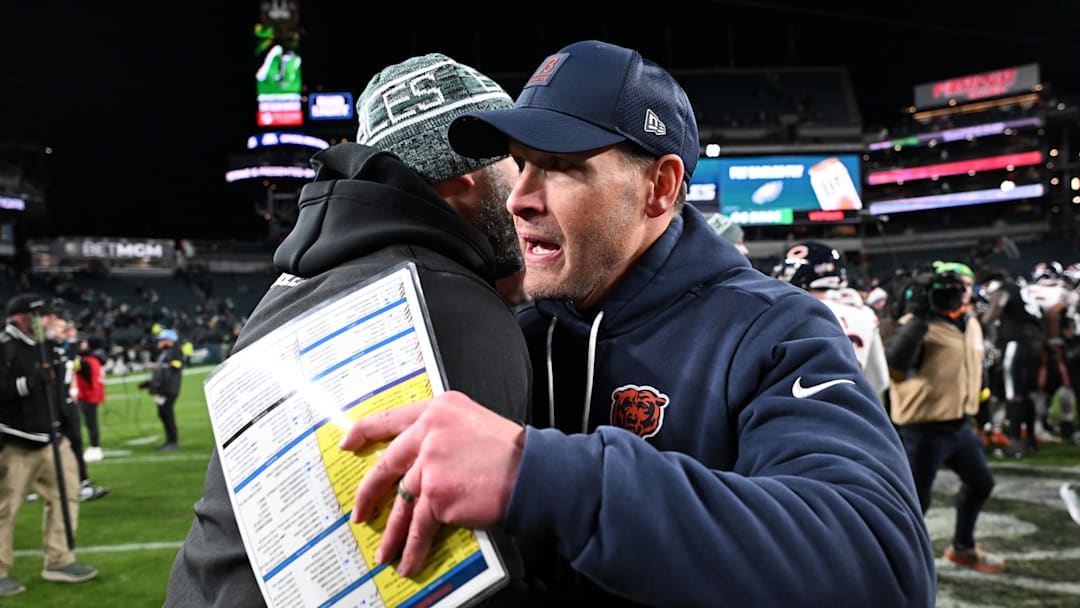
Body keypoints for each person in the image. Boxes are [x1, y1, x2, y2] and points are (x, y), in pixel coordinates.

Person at [340, 40, 935, 606]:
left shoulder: (774, 329)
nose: (519, 197)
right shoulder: (514, 326)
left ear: (660, 186)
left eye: (560, 166)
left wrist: (539, 474)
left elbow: (884, 563)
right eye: (520, 165)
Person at [164, 53, 531, 606]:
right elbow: (463, 577)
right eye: (516, 164)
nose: (527, 192)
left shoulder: (285, 291)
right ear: (465, 183)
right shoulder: (449, 304)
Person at [886, 262, 1004, 573]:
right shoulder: (913, 322)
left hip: (958, 426)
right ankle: (895, 566)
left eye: (965, 285)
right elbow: (895, 369)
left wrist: (985, 416)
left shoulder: (970, 321)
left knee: (980, 483)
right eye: (954, 287)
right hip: (921, 430)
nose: (962, 292)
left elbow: (978, 374)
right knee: (912, 503)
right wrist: (918, 321)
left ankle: (962, 547)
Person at [0, 293, 98, 596]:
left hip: (53, 440)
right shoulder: (5, 347)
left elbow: (59, 396)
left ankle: (59, 559)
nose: (52, 321)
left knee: (67, 495)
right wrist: (28, 383)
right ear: (23, 319)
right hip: (15, 441)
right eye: (45, 316)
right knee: (5, 508)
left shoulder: (50, 349)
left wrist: (68, 431)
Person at [772, 240, 890, 398]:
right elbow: (880, 380)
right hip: (855, 411)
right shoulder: (865, 313)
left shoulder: (792, 313)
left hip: (804, 410)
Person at [979, 267, 1045, 457]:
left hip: (1017, 341)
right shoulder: (1022, 288)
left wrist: (983, 322)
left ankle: (1015, 444)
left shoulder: (1002, 288)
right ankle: (1031, 440)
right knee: (1026, 392)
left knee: (1013, 393)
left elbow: (996, 307)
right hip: (1035, 341)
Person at [73, 335, 110, 501]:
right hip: (94, 394)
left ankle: (95, 447)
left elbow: (71, 366)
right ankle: (95, 446)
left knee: (90, 423)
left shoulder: (85, 361)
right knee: (92, 423)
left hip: (87, 395)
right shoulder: (96, 360)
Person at [138, 328, 184, 452]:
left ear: (168, 340)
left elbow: (172, 370)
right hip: (164, 390)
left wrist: (157, 384)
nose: (158, 342)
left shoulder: (174, 352)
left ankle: (173, 442)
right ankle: (170, 441)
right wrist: (149, 384)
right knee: (164, 414)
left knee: (167, 414)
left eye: (161, 339)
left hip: (168, 390)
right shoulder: (166, 353)